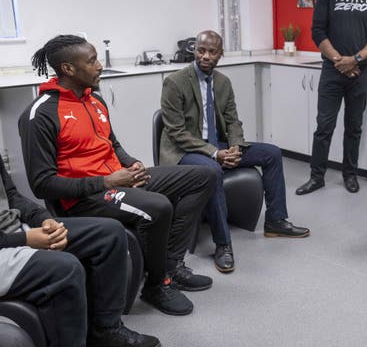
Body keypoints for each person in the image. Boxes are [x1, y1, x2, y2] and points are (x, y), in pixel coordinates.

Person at [18, 35, 217, 317]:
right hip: (84, 198)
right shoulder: (40, 114)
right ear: (68, 69)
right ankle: (157, 285)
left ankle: (171, 266)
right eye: (92, 61)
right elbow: (42, 184)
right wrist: (106, 182)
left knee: (204, 176)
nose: (99, 66)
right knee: (159, 206)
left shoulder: (95, 101)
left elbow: (113, 144)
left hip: (117, 180)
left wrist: (132, 164)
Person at [160, 30, 310, 273]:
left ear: (220, 54)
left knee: (271, 153)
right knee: (212, 171)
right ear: (194, 50)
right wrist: (215, 154)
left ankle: (276, 221)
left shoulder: (222, 82)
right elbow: (176, 133)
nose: (205, 56)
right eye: (201, 50)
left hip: (217, 146)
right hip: (184, 151)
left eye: (212, 51)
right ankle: (223, 244)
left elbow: (232, 122)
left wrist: (235, 148)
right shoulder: (175, 82)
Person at [0, 158, 160, 347]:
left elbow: (12, 196)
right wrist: (24, 239)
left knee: (110, 233)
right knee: (65, 269)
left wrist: (44, 219)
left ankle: (105, 332)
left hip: (14, 230)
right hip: (6, 244)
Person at [296, 0, 367, 196]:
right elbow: (317, 32)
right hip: (332, 71)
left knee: (353, 126)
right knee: (324, 126)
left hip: (360, 72)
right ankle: (317, 177)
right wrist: (339, 61)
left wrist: (355, 60)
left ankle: (350, 175)